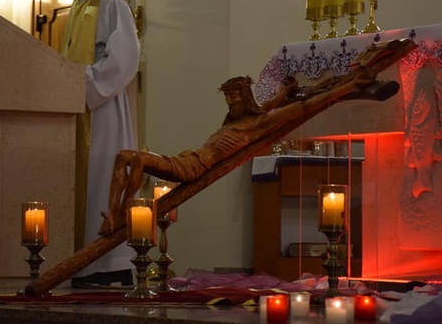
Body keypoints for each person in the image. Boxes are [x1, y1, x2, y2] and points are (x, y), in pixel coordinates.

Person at [98, 41, 408, 235]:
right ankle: (116, 213)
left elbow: (305, 106)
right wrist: (284, 92)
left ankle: (123, 215)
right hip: (186, 158)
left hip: (191, 168)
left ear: (244, 99)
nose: (230, 104)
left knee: (135, 157)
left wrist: (347, 88)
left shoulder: (257, 125)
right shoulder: (240, 118)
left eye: (234, 98)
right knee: (124, 156)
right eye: (228, 99)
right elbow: (267, 106)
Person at [59, 0, 140, 286]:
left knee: (101, 178)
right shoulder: (78, 7)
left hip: (102, 109)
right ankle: (82, 261)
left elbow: (124, 59)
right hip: (76, 107)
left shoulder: (111, 4)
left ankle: (106, 264)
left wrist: (83, 84)